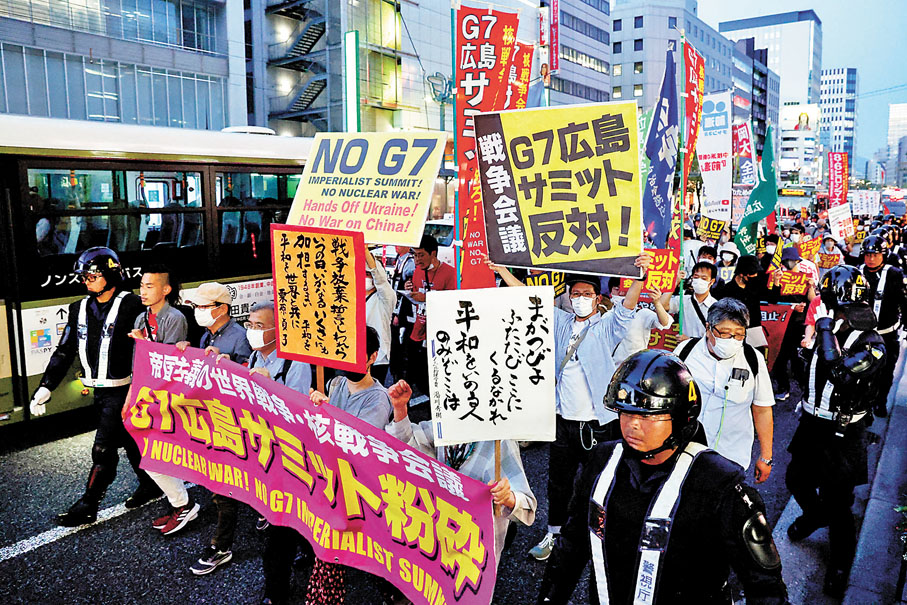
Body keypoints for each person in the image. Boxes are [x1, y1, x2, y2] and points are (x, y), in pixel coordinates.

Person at [537, 350, 787, 604]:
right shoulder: (602, 461)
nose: (633, 424)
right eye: (626, 412)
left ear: (680, 418)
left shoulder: (721, 484)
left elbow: (765, 587)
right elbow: (571, 545)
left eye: (648, 416)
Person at [485, 253, 652, 561]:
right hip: (563, 421)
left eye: (587, 294)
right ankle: (554, 531)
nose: (580, 299)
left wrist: (639, 277)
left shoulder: (607, 326)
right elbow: (526, 297)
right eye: (575, 294)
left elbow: (628, 306)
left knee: (601, 482)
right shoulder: (560, 321)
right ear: (568, 297)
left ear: (597, 298)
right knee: (558, 483)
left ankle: (597, 534)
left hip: (597, 424)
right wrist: (499, 270)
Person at [29, 247, 160, 526]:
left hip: (126, 390)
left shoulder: (133, 305)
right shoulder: (78, 308)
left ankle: (88, 504)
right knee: (128, 439)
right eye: (84, 276)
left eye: (92, 275)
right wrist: (46, 386)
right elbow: (64, 351)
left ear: (111, 274)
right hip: (100, 390)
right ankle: (150, 484)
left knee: (103, 448)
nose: (86, 281)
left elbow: (154, 344)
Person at [785, 265, 886, 597]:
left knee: (839, 505)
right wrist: (804, 349)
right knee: (796, 479)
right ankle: (815, 516)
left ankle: (840, 564)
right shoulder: (829, 330)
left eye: (827, 300)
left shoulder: (872, 343)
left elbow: (841, 374)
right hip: (812, 423)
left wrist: (823, 327)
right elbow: (810, 372)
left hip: (843, 433)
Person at [386, 379, 537, 569]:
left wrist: (508, 497)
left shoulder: (500, 440)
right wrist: (400, 409)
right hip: (437, 534)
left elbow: (527, 506)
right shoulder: (446, 425)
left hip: (475, 548)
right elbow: (409, 445)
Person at [302, 326, 396, 604]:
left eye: (355, 354)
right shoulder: (336, 384)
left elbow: (360, 442)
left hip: (360, 483)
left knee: (359, 543)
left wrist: (328, 413)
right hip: (333, 476)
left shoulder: (378, 399)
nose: (346, 360)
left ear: (372, 357)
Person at [175, 282, 253, 575]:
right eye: (195, 307)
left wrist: (232, 365)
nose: (197, 312)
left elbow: (251, 378)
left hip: (233, 423)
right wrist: (186, 352)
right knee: (228, 482)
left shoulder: (239, 338)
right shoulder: (208, 334)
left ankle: (221, 546)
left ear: (221, 308)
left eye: (202, 307)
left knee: (224, 486)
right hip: (214, 419)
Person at [128, 265, 200, 536]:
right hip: (149, 395)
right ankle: (181, 503)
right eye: (142, 286)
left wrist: (144, 345)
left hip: (168, 398)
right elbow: (141, 362)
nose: (143, 291)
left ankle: (184, 504)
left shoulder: (174, 318)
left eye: (149, 286)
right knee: (154, 456)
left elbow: (167, 363)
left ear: (166, 290)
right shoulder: (140, 318)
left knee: (158, 455)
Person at [674, 298, 775, 476]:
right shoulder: (685, 352)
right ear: (708, 328)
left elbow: (762, 409)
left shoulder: (753, 359)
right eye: (725, 333)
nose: (732, 340)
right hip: (683, 453)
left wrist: (766, 457)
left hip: (731, 457)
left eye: (739, 334)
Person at [859, 234, 907, 417]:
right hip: (861, 334)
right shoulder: (858, 272)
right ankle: (863, 402)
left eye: (876, 255)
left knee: (886, 372)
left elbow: (904, 302)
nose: (871, 259)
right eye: (868, 255)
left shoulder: (894, 273)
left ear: (883, 255)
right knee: (861, 369)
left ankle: (880, 402)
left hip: (887, 333)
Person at [404, 234, 457, 395]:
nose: (417, 260)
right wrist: (409, 289)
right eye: (414, 254)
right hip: (418, 330)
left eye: (421, 255)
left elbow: (453, 301)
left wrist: (427, 297)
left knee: (435, 378)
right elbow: (416, 294)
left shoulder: (450, 273)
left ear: (433, 254)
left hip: (438, 333)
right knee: (416, 375)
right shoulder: (417, 272)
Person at [608, 278, 673, 365]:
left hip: (634, 367)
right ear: (610, 292)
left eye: (624, 289)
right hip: (609, 368)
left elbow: (665, 322)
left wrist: (657, 302)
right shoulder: (606, 314)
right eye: (616, 289)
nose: (621, 293)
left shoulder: (642, 313)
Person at [713, 255, 771, 352]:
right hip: (734, 334)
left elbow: (771, 298)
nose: (755, 276)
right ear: (741, 274)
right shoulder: (726, 291)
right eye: (751, 274)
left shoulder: (756, 285)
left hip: (754, 331)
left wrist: (776, 281)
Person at [363, 246, 395, 384]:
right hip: (358, 356)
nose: (366, 277)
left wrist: (365, 251)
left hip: (378, 358)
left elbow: (380, 278)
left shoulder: (386, 297)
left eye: (369, 274)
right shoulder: (355, 297)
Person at [672, 261, 718, 339]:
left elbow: (715, 338)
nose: (699, 280)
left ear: (712, 281)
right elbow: (663, 305)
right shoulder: (683, 300)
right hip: (684, 349)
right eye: (696, 277)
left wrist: (689, 340)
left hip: (704, 350)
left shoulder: (716, 307)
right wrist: (675, 282)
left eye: (704, 278)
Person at [389, 245, 415, 383]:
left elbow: (405, 291)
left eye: (399, 244)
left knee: (401, 347)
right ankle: (396, 374)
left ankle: (401, 378)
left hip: (404, 311)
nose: (396, 246)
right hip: (395, 308)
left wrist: (397, 313)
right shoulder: (399, 259)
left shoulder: (410, 263)